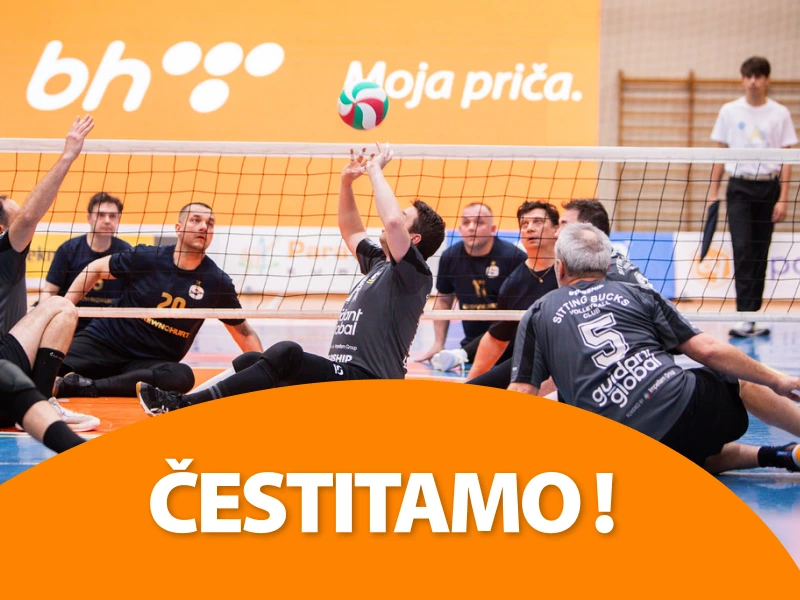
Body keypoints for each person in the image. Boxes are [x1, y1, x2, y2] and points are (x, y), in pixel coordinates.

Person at [136, 143, 446, 414]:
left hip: (370, 385)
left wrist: (376, 170)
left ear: (414, 240)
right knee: (255, 360)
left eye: (405, 216)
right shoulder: (380, 264)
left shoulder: (413, 274)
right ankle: (179, 402)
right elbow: (351, 230)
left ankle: (183, 407)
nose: (394, 217)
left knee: (287, 354)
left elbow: (392, 222)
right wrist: (346, 183)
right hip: (344, 377)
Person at [509, 222, 800, 474]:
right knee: (740, 381)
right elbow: (709, 350)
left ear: (559, 267)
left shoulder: (538, 312)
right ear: (608, 266)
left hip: (625, 449)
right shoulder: (637, 293)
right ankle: (785, 447)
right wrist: (777, 380)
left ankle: (779, 456)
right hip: (686, 407)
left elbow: (521, 395)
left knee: (676, 455)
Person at [57, 202, 263, 398]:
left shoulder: (216, 283)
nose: (203, 227)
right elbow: (96, 268)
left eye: (209, 224)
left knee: (182, 376)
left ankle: (88, 386)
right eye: (196, 220)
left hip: (150, 363)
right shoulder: (148, 257)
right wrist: (64, 308)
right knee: (50, 365)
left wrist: (265, 372)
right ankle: (96, 380)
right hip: (105, 343)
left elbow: (243, 332)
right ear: (178, 228)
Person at [0, 115, 98, 446]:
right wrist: (68, 154)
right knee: (60, 307)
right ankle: (42, 405)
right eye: (14, 220)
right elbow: (30, 215)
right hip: (4, 379)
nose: (24, 226)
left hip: (9, 382)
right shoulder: (5, 251)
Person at [709, 56, 798, 338]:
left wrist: (783, 198)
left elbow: (787, 159)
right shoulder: (729, 111)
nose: (753, 81)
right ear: (742, 79)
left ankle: (753, 317)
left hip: (768, 188)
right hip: (739, 188)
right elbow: (720, 153)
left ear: (767, 80)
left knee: (760, 250)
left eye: (758, 76)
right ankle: (743, 314)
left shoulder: (779, 113)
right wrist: (713, 191)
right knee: (742, 247)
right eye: (748, 76)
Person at [416, 202, 525, 371]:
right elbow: (443, 300)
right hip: (472, 345)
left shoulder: (514, 258)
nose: (471, 227)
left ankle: (461, 355)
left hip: (509, 348)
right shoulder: (450, 257)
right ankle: (463, 353)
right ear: (460, 229)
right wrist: (438, 343)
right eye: (466, 222)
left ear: (493, 229)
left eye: (479, 222)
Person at [463, 201, 560, 384]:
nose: (529, 228)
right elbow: (496, 339)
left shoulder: (571, 270)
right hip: (534, 361)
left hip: (572, 356)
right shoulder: (514, 283)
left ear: (556, 229)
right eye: (524, 224)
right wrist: (471, 380)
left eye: (537, 222)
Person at [41, 191, 131, 332]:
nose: (107, 220)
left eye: (113, 216)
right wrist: (45, 321)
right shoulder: (68, 250)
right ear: (89, 218)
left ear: (118, 219)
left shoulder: (126, 252)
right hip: (70, 323)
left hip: (109, 329)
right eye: (101, 215)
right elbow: (49, 292)